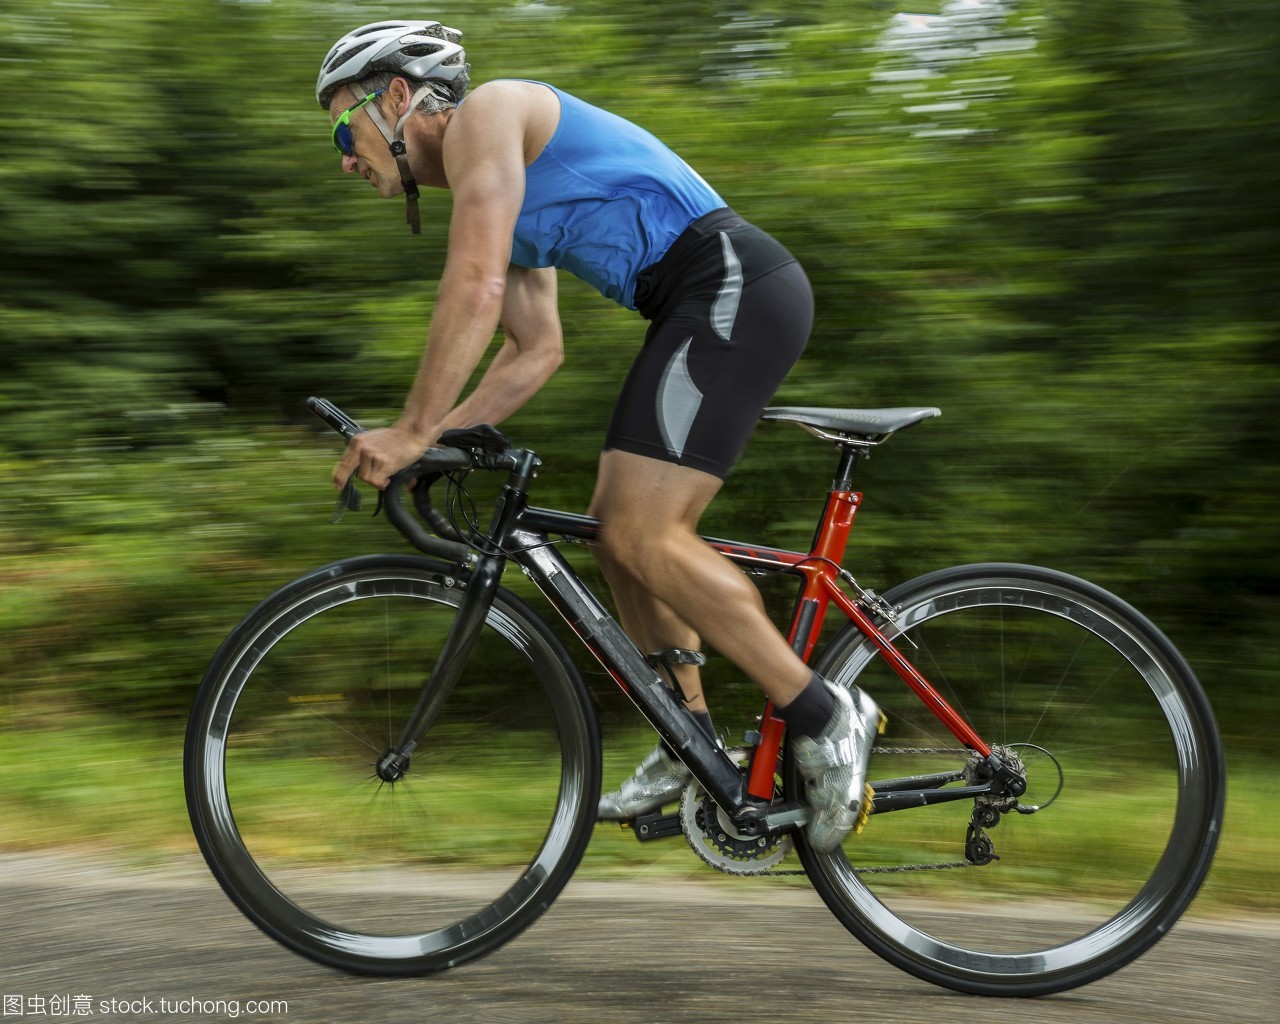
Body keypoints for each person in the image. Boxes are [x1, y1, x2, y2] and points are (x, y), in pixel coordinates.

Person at [318, 19, 884, 851]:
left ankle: (826, 714)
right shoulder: (494, 182)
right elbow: (532, 350)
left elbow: (473, 288)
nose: (342, 155)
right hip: (703, 302)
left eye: (343, 127)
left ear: (397, 97)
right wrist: (437, 436)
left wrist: (408, 429)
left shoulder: (489, 117)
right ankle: (688, 742)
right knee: (619, 537)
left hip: (731, 285)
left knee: (645, 531)